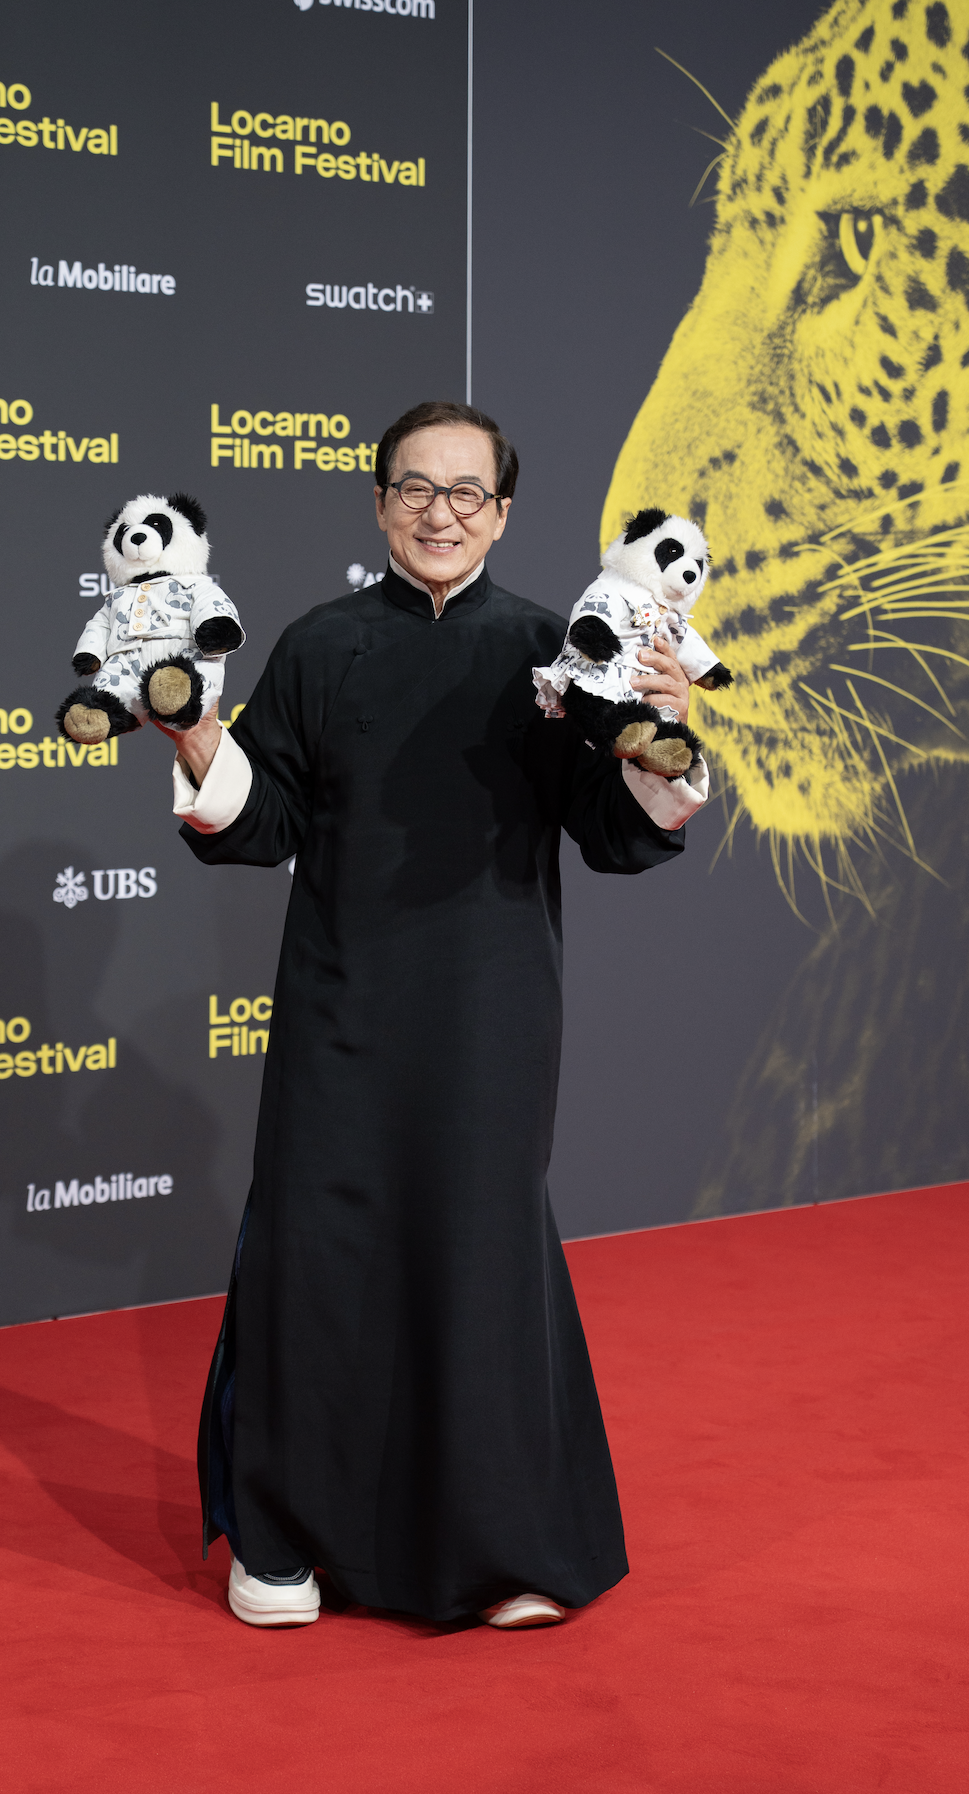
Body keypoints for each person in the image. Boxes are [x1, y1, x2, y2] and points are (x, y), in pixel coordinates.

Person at [166, 400, 707, 1629]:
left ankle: (501, 1542)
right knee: (317, 1254)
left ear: (502, 514)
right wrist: (197, 733)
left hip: (492, 1010)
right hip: (337, 1002)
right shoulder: (315, 646)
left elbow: (619, 833)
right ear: (376, 502)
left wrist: (666, 733)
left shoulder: (551, 649)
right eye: (414, 488)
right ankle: (282, 1542)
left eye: (466, 493)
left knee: (479, 1255)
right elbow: (260, 825)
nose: (438, 514)